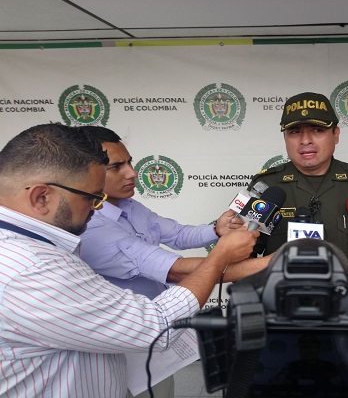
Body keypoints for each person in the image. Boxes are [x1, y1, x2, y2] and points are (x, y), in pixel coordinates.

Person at [0, 123, 259, 398]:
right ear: (41, 197)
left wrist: (216, 231)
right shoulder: (33, 269)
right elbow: (155, 323)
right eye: (92, 198)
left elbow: (176, 233)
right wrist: (228, 256)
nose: (96, 207)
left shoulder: (35, 247)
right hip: (137, 351)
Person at [77, 125, 268, 398]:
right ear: (87, 173)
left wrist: (216, 230)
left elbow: (176, 234)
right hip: (124, 348)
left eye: (130, 162)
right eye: (116, 167)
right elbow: (176, 271)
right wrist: (276, 262)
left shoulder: (130, 206)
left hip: (155, 345)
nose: (132, 173)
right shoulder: (91, 226)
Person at [248, 91, 348, 267]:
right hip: (281, 284)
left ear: (336, 134)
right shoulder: (265, 186)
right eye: (295, 132)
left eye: (317, 130)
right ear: (285, 138)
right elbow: (241, 253)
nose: (305, 140)